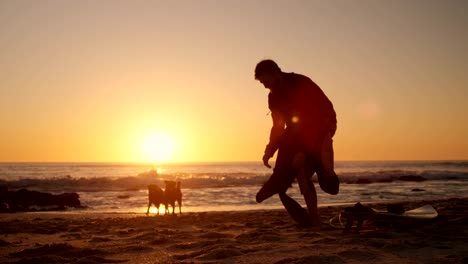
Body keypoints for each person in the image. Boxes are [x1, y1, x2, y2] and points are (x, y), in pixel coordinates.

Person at [254, 59, 339, 227]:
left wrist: (302, 151)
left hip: (323, 123)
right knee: (298, 172)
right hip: (296, 132)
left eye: (266, 81)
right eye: (262, 83)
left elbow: (312, 118)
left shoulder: (300, 83)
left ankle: (325, 171)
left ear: (276, 73)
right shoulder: (273, 97)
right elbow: (278, 125)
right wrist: (269, 149)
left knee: (326, 182)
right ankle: (313, 219)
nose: (265, 86)